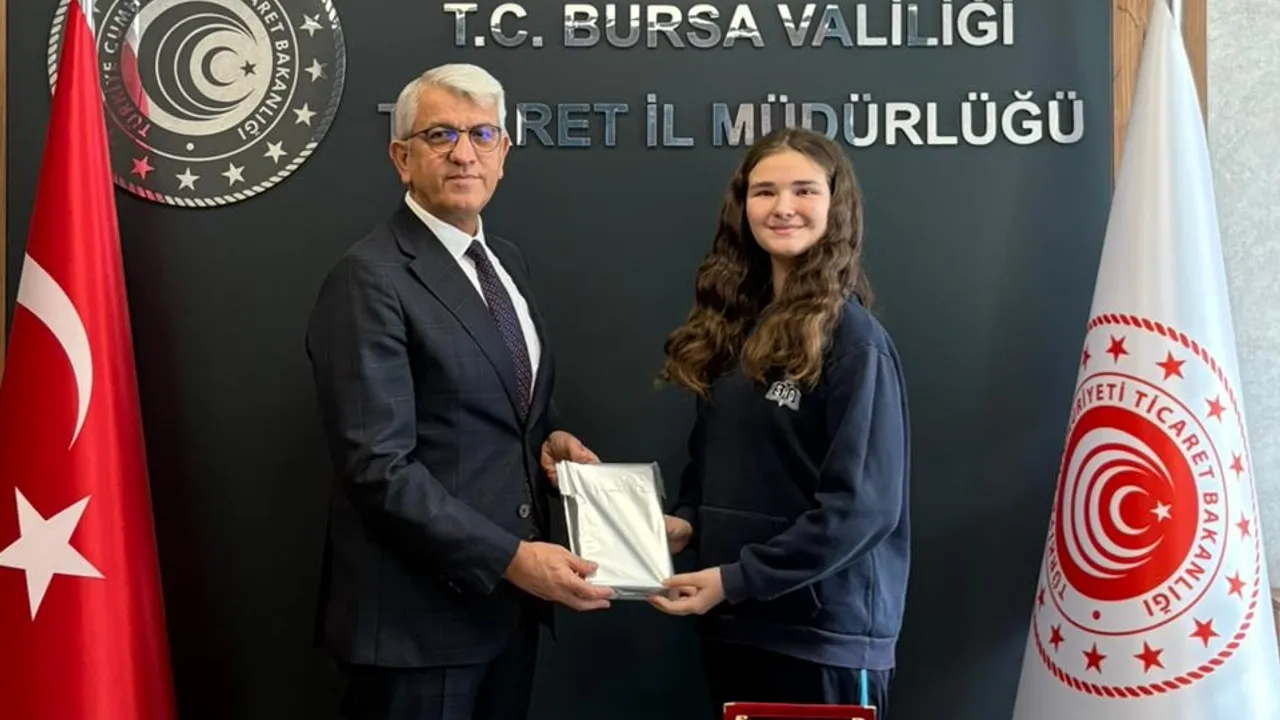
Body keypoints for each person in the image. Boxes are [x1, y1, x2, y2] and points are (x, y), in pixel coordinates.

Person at [305, 63, 614, 720]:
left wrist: (547, 437)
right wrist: (511, 559)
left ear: (504, 152)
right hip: (417, 631)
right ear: (402, 158)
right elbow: (377, 467)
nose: (464, 153)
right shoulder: (369, 278)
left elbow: (501, 405)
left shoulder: (506, 263)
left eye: (481, 134)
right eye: (440, 134)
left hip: (505, 617)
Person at [649, 127, 911, 719]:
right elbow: (716, 467)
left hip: (820, 640)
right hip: (736, 624)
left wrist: (736, 578)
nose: (783, 207)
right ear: (742, 207)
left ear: (835, 204)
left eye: (804, 190)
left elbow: (864, 509)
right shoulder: (732, 332)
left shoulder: (855, 342)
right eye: (764, 192)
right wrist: (687, 523)